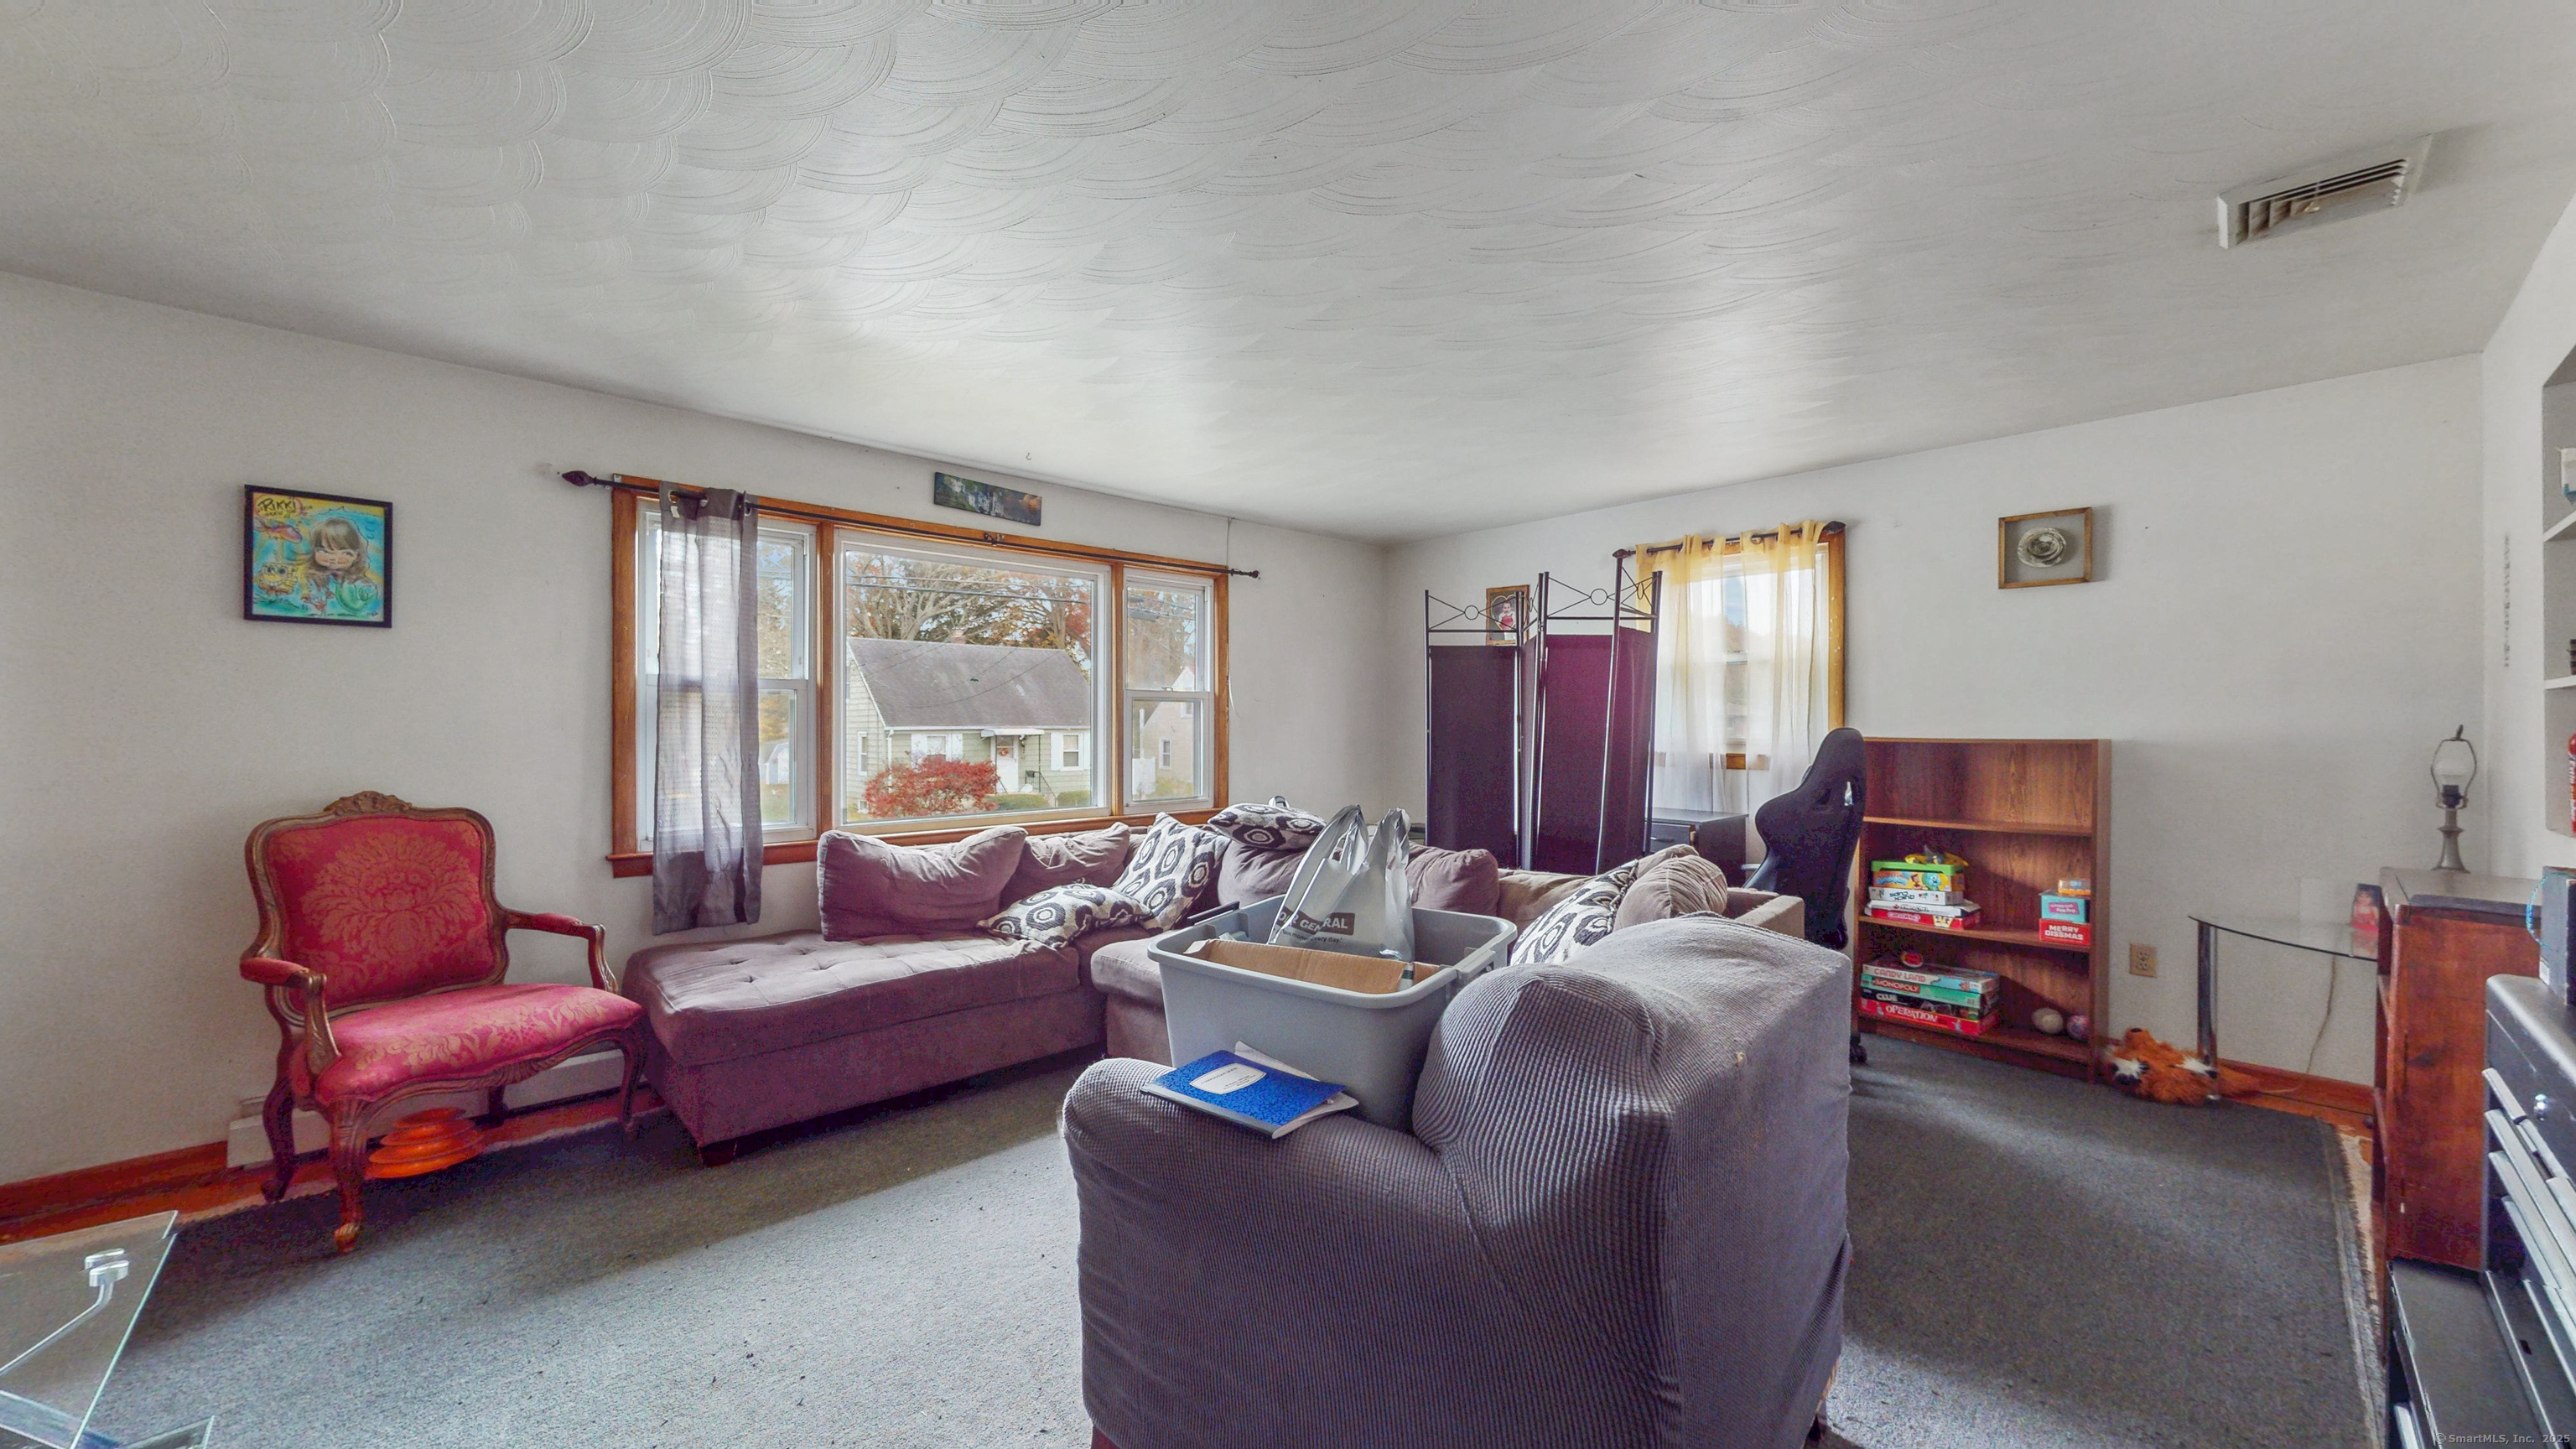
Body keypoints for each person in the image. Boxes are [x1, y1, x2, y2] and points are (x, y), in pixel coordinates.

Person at [299, 514, 380, 617]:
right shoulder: (312, 577)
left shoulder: (360, 582)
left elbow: (369, 604)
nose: (332, 558)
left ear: (357, 555)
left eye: (343, 552)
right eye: (324, 551)